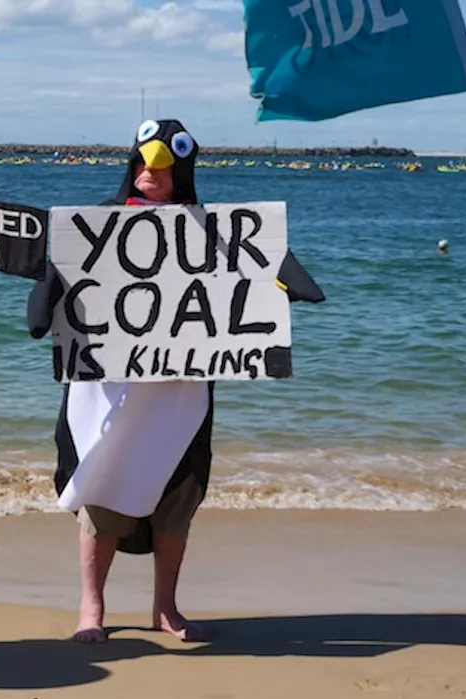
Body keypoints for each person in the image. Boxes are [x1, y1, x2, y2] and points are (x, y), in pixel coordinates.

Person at [26, 119, 325, 644]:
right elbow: (59, 276)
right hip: (108, 392)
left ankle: (166, 608)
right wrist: (42, 305)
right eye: (143, 164)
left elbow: (258, 259)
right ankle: (91, 608)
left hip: (182, 391)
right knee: (101, 492)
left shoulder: (207, 227)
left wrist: (291, 285)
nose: (150, 174)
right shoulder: (100, 222)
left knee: (178, 496)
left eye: (162, 168)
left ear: (182, 173)